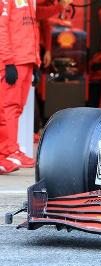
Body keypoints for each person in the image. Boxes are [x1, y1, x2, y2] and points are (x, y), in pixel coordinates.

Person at [0, 0, 41, 173]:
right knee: (8, 107)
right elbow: (1, 29)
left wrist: (36, 62)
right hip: (14, 61)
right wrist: (8, 61)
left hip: (26, 60)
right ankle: (8, 151)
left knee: (16, 109)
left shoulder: (29, 2)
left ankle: (10, 151)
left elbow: (32, 31)